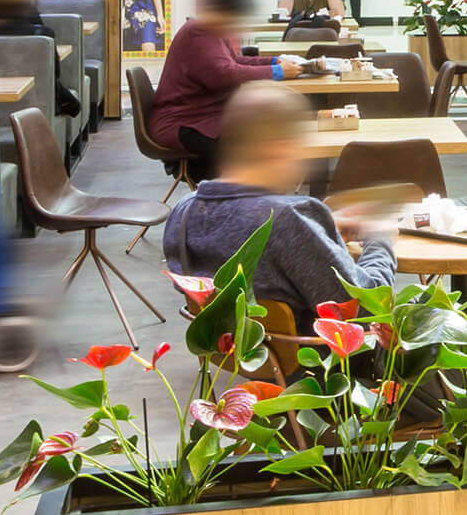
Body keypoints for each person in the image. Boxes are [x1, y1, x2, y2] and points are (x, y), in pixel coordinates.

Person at [163, 81, 396, 330]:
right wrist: (380, 240)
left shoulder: (183, 213)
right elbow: (366, 309)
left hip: (231, 358)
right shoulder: (286, 221)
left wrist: (319, 231)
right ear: (277, 149)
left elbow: (245, 232)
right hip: (319, 364)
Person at [149, 0, 308, 179]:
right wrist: (277, 72)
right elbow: (225, 74)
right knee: (248, 145)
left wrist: (276, 61)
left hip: (201, 116)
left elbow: (234, 61)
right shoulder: (198, 31)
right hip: (183, 123)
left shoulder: (209, 29)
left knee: (254, 134)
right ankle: (234, 197)